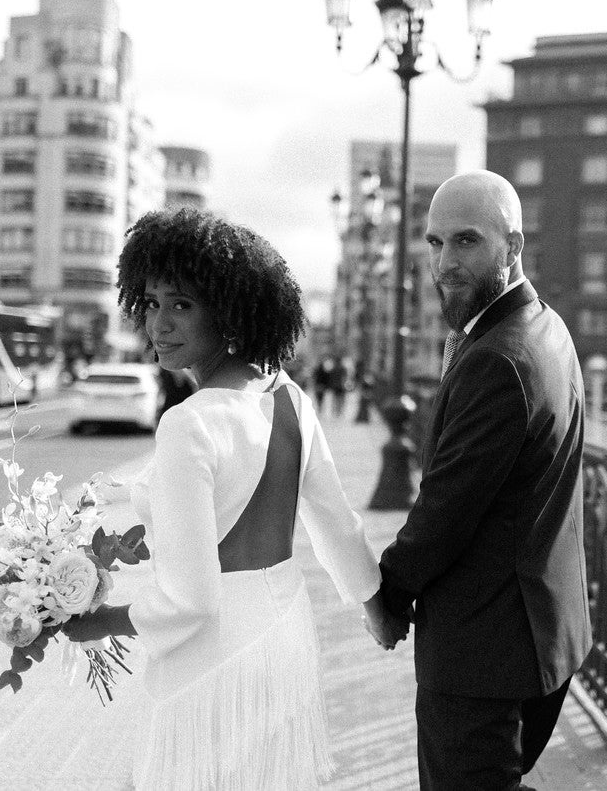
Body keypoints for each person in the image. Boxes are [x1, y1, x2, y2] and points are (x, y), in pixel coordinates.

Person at [62, 207, 395, 789]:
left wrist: (92, 622)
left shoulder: (188, 424)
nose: (158, 324)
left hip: (210, 663)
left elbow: (191, 603)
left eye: (182, 304)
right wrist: (378, 610)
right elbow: (337, 527)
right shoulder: (289, 397)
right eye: (150, 303)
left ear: (230, 309)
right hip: (284, 640)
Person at [376, 170, 592, 790]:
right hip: (536, 634)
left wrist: (385, 596)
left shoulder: (498, 358)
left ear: (514, 247)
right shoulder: (544, 326)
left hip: (483, 653)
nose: (445, 261)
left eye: (467, 241)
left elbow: (444, 513)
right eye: (435, 242)